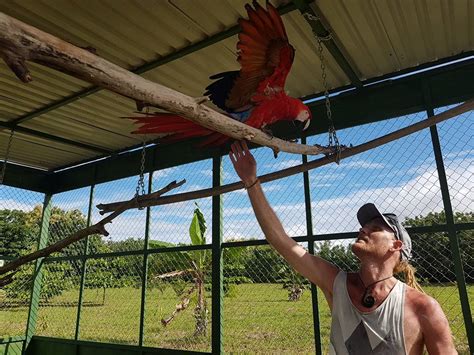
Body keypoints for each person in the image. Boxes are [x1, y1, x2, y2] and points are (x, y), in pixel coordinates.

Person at [229, 140, 457, 355]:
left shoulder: (424, 308)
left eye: (375, 228)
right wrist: (251, 181)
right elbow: (281, 240)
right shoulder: (337, 284)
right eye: (364, 226)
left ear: (395, 246)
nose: (363, 230)